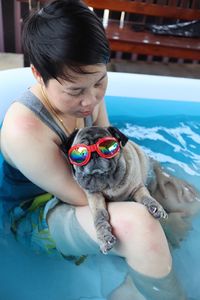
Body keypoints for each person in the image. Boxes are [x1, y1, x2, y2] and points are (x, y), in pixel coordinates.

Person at [0, 0, 187, 299]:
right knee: (142, 225)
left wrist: (155, 181)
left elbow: (110, 151)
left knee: (185, 198)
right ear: (37, 74)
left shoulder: (88, 93)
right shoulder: (24, 130)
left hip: (92, 185)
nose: (91, 100)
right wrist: (146, 200)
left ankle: (138, 281)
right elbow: (81, 195)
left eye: (99, 81)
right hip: (36, 212)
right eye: (75, 91)